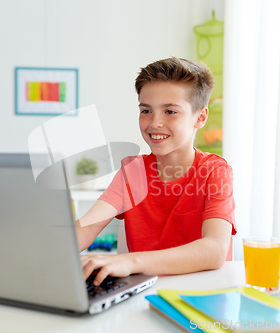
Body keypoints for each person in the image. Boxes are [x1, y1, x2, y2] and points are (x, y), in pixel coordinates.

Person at [76, 57, 236, 286]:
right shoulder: (132, 172)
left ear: (200, 117)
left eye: (170, 111)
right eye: (146, 110)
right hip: (143, 296)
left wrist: (130, 262)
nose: (154, 123)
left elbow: (214, 250)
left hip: (201, 296)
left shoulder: (214, 171)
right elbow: (86, 227)